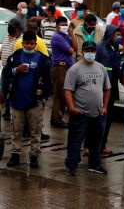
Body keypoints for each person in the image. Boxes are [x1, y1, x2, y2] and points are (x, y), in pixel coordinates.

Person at [5, 30, 51, 168]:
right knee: (16, 130)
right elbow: (6, 72)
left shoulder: (43, 59)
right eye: (27, 43)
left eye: (32, 44)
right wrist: (16, 70)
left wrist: (43, 99)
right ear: (22, 43)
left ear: (36, 44)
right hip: (17, 101)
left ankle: (34, 156)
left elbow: (48, 82)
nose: (29, 46)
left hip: (34, 103)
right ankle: (15, 154)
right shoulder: (15, 56)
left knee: (35, 131)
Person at [64, 41, 111, 176]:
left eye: (93, 50)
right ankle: (72, 164)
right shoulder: (74, 69)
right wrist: (72, 107)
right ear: (83, 52)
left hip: (98, 112)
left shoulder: (101, 68)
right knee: (76, 139)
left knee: (97, 139)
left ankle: (94, 164)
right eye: (87, 50)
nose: (90, 53)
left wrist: (105, 107)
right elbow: (68, 90)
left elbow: (107, 89)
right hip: (81, 113)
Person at [94, 25, 122, 156]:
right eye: (116, 35)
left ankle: (102, 144)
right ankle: (90, 145)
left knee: (108, 117)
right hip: (101, 87)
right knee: (97, 117)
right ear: (110, 34)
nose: (118, 37)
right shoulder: (100, 47)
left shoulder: (115, 48)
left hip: (112, 86)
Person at [50, 16, 76, 128]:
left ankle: (56, 118)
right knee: (59, 94)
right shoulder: (57, 37)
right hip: (60, 68)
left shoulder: (65, 36)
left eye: (66, 25)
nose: (65, 27)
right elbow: (71, 50)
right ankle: (57, 119)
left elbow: (76, 47)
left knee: (62, 93)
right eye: (63, 25)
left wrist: (72, 34)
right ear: (57, 26)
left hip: (66, 68)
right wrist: (70, 39)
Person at [1, 20, 21, 121]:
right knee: (4, 91)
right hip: (4, 70)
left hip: (12, 70)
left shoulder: (19, 40)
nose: (10, 28)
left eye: (12, 26)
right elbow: (2, 51)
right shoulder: (5, 37)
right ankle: (7, 109)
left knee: (10, 91)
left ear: (17, 28)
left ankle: (8, 111)